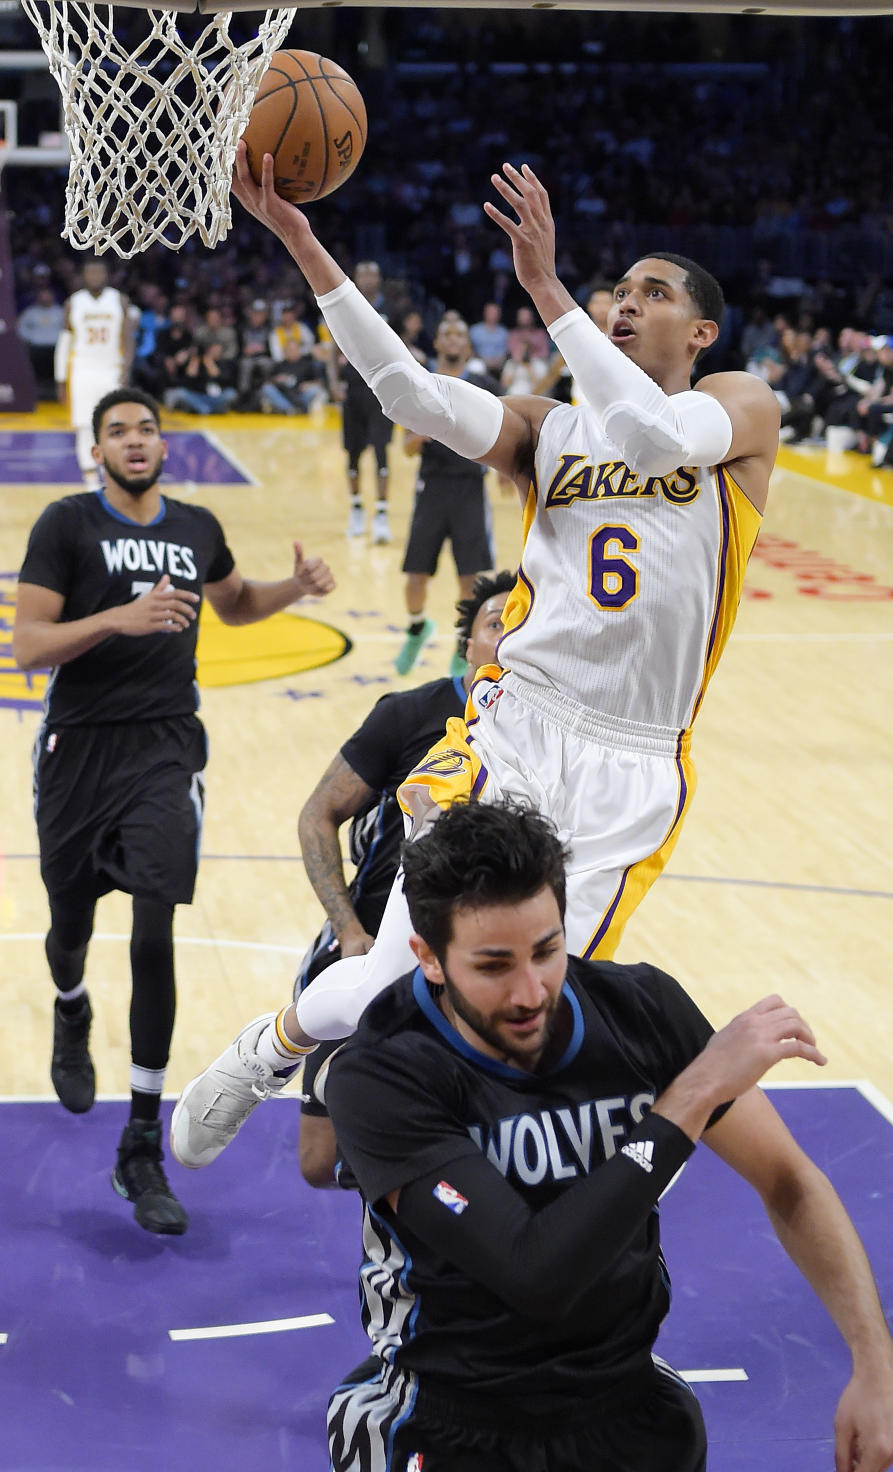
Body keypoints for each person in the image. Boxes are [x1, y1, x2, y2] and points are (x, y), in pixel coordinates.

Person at [172, 151, 781, 1167]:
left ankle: (534, 1217)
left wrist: (546, 287)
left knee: (541, 998)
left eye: (654, 294)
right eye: (617, 291)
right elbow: (408, 392)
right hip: (520, 727)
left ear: (703, 332)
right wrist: (300, 240)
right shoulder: (547, 428)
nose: (627, 304)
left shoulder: (737, 409)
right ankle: (265, 1049)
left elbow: (652, 437)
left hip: (637, 760)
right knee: (404, 969)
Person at [329, 801, 893, 1470]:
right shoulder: (382, 1073)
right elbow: (535, 1273)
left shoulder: (639, 1011)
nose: (530, 991)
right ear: (430, 960)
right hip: (450, 1421)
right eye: (494, 966)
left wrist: (878, 1364)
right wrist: (694, 1093)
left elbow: (789, 1179)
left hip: (627, 1408)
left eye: (547, 950)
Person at [13, 387, 335, 1237]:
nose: (135, 439)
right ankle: (72, 1004)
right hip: (78, 751)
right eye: (118, 430)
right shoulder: (66, 526)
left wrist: (291, 589)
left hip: (165, 749)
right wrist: (120, 617)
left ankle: (140, 1143)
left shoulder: (195, 527)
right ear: (98, 451)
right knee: (69, 924)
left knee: (155, 930)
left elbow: (233, 604)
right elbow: (27, 645)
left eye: (146, 428)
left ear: (163, 444)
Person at [296, 573, 513, 1187]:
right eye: (494, 624)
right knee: (319, 1162)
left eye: (521, 624)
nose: (508, 636)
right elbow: (317, 814)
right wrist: (347, 928)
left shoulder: (545, 740)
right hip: (371, 947)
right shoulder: (409, 714)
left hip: (467, 971)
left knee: (451, 1156)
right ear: (466, 644)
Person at [395, 318, 503, 677]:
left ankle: (462, 646)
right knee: (415, 575)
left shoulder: (484, 386)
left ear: (468, 347)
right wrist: (422, 435)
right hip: (432, 488)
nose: (454, 339)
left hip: (470, 488)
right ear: (438, 343)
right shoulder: (421, 384)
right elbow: (406, 448)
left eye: (460, 334)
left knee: (469, 579)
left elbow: (503, 434)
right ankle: (416, 627)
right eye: (447, 334)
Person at [325, 261, 394, 544]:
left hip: (381, 392)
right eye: (363, 274)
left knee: (381, 453)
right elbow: (332, 349)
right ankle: (356, 509)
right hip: (354, 390)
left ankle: (381, 514)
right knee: (353, 455)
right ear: (355, 277)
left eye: (372, 274)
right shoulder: (345, 306)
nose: (368, 278)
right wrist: (331, 383)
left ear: (379, 278)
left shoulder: (393, 310)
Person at [55, 260, 135, 489]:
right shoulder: (74, 303)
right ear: (83, 275)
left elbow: (127, 338)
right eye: (90, 271)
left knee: (115, 425)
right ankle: (90, 482)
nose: (95, 275)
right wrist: (61, 379)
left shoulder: (119, 300)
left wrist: (126, 369)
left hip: (111, 369)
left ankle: (113, 475)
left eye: (99, 271)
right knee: (84, 426)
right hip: (83, 370)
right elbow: (64, 343)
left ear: (107, 274)